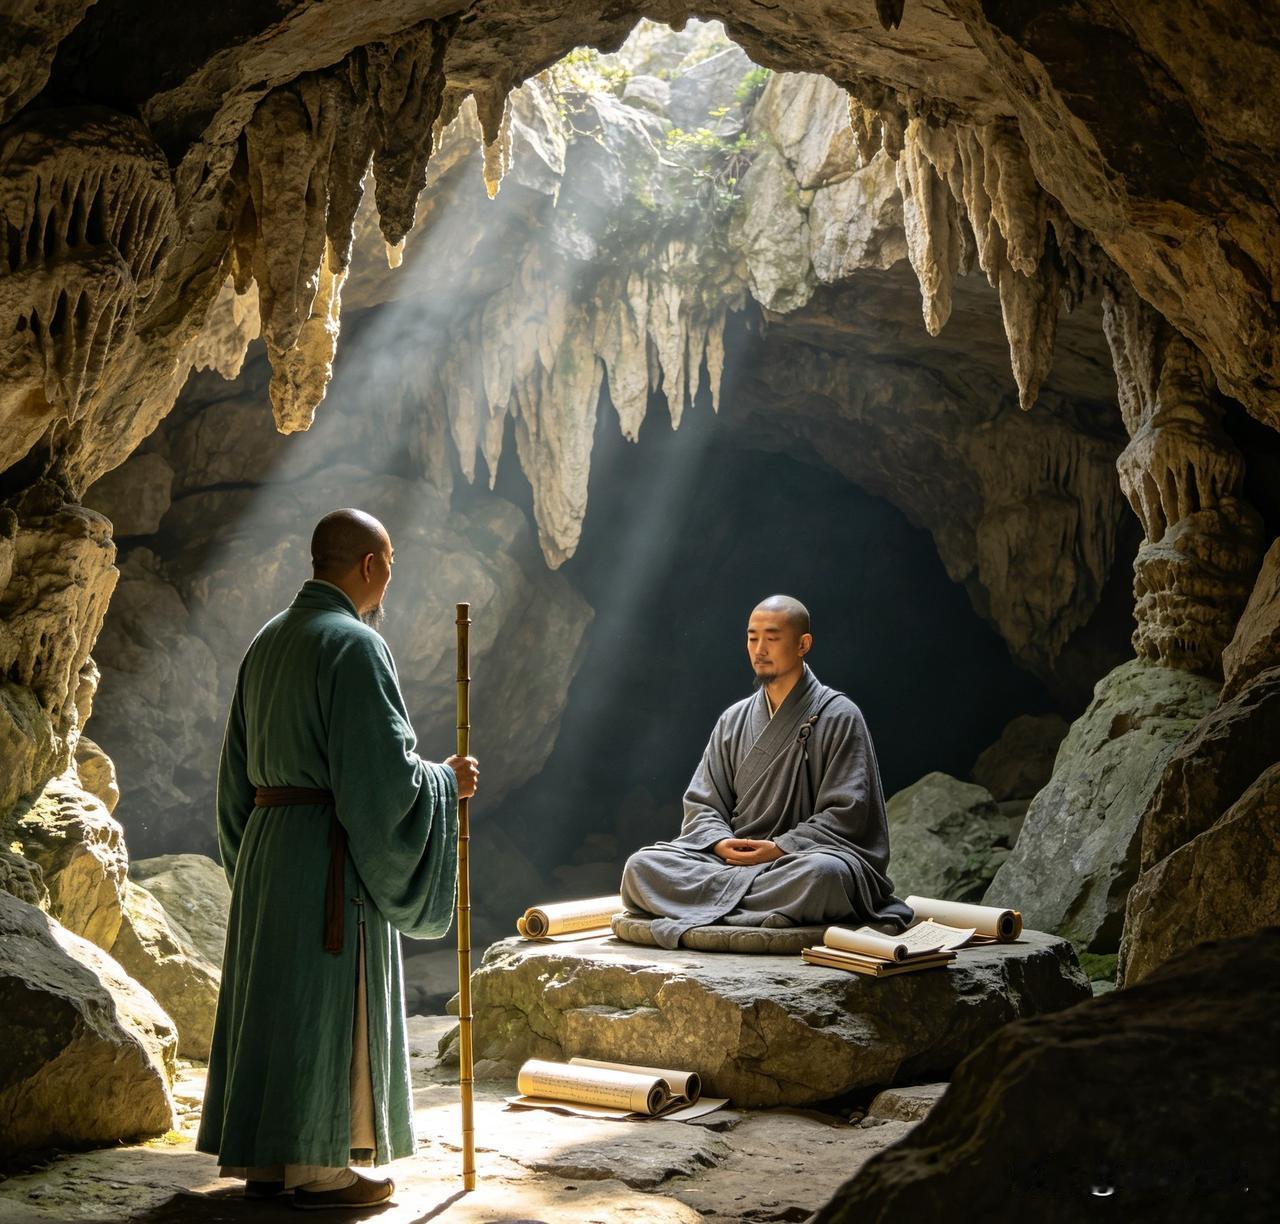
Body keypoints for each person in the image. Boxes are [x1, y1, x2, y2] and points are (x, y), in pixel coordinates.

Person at [196, 508, 479, 1211]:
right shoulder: (354, 645)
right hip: (329, 857)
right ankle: (321, 1169)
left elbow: (233, 776)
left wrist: (253, 865)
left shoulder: (268, 640)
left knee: (278, 1007)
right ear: (372, 566)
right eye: (391, 563)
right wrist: (446, 781)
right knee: (328, 1003)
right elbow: (380, 780)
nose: (390, 577)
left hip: (270, 849)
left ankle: (268, 1160)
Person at [620, 594, 911, 949]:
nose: (759, 649)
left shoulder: (839, 716)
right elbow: (704, 802)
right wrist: (720, 842)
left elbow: (847, 814)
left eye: (771, 638)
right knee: (641, 866)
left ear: (803, 644)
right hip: (730, 862)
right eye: (752, 637)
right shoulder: (734, 720)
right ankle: (758, 915)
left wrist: (779, 848)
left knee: (823, 877)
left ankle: (717, 908)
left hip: (794, 863)